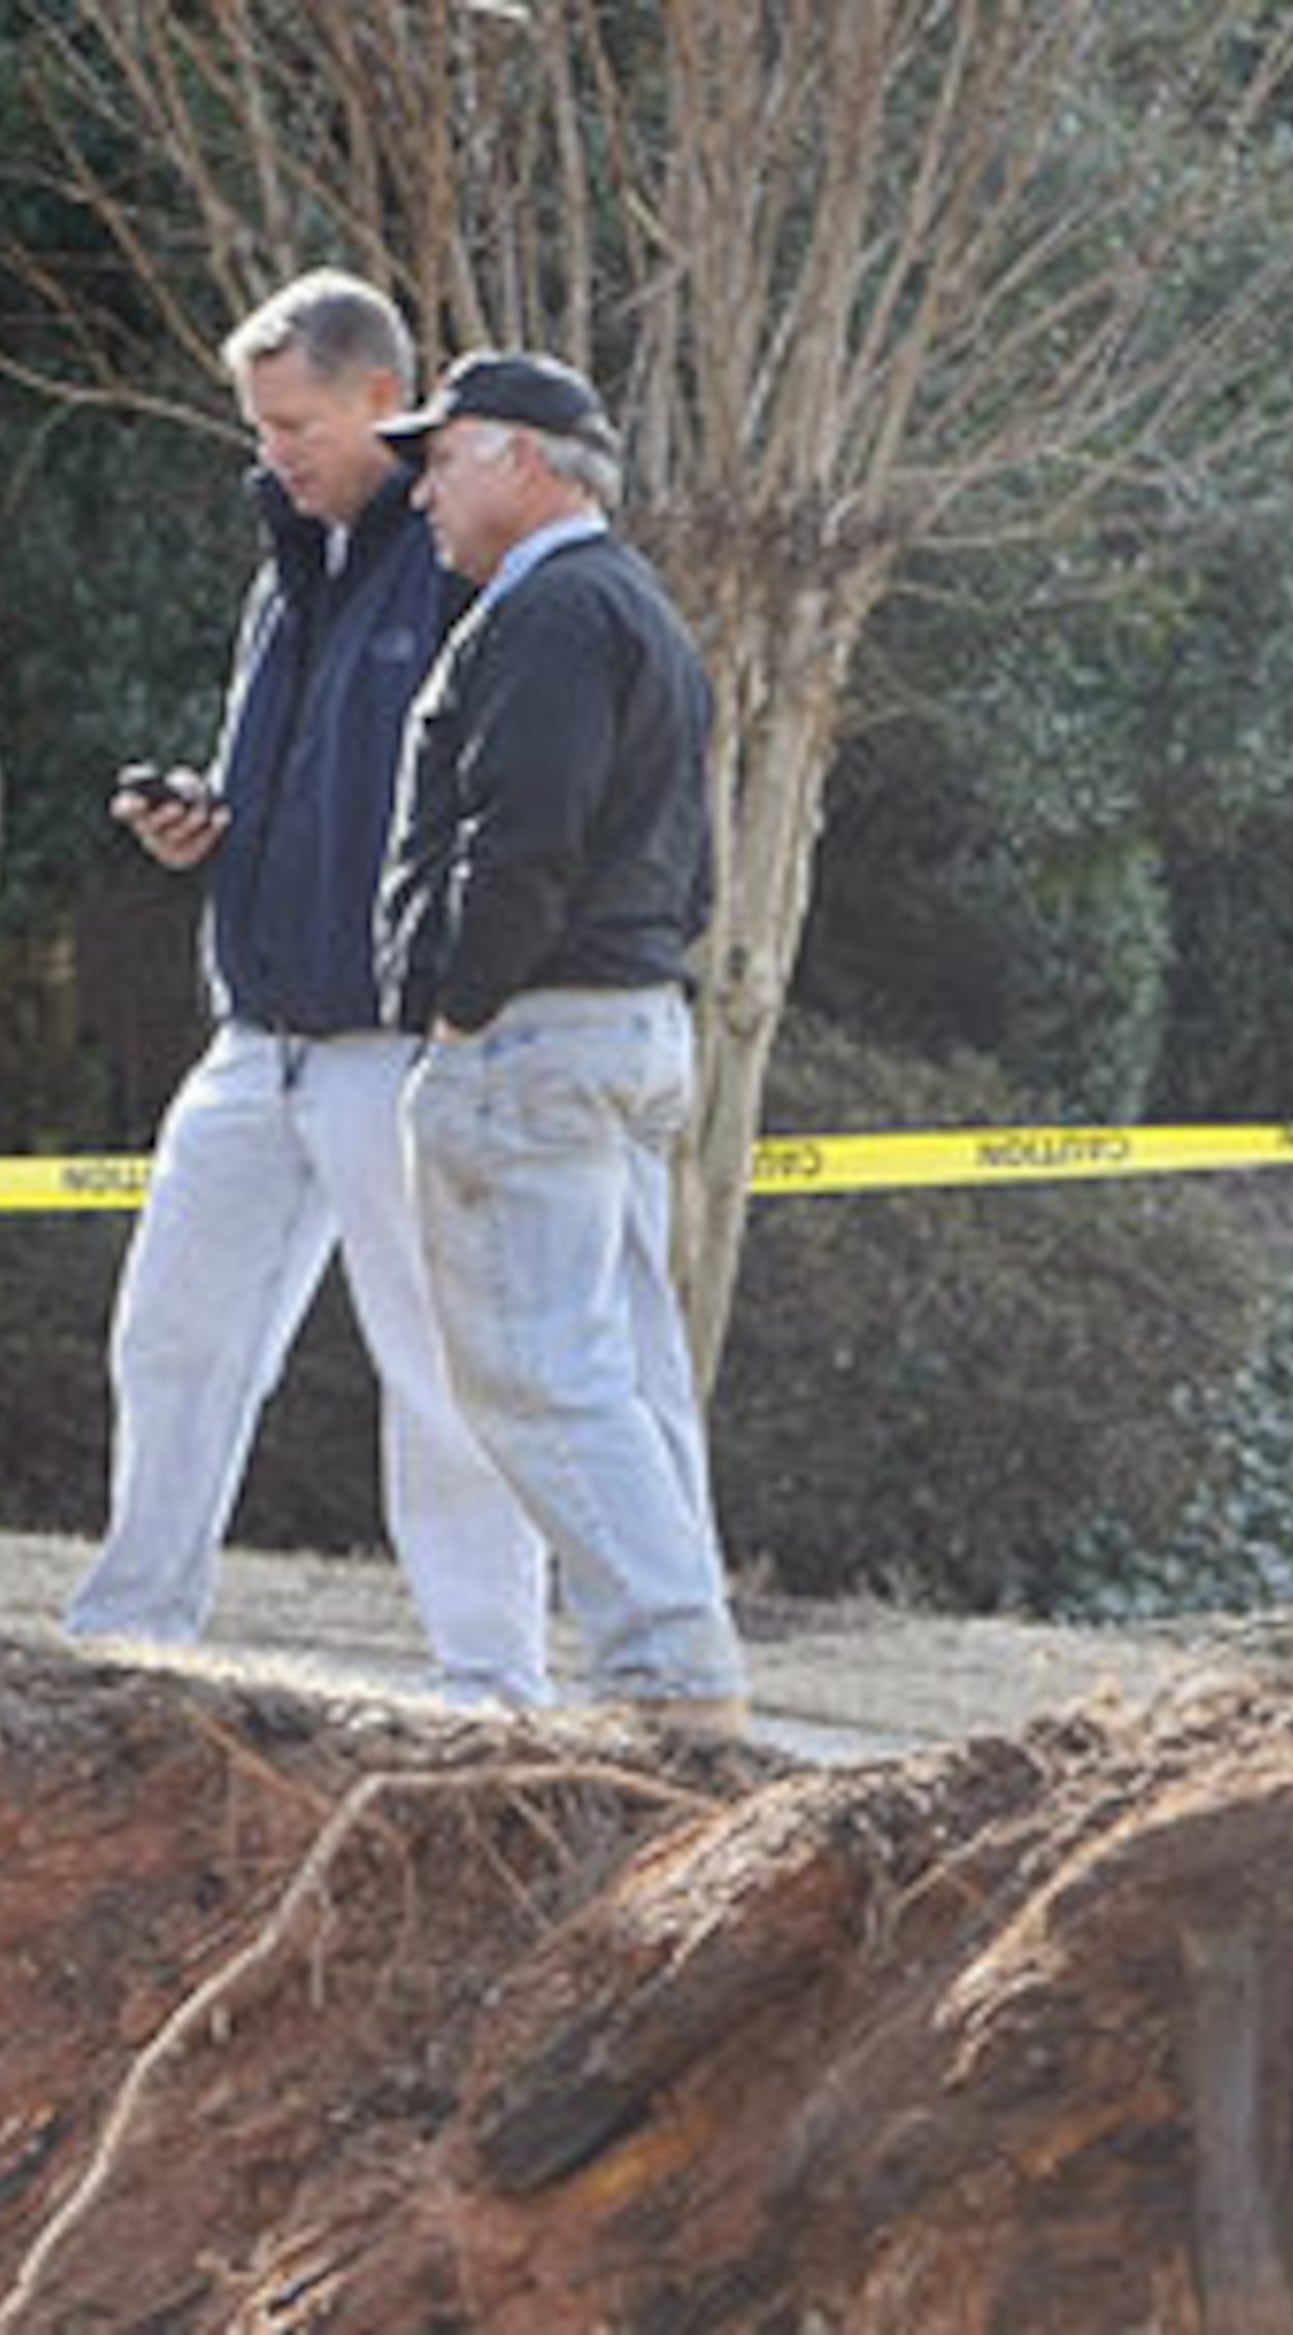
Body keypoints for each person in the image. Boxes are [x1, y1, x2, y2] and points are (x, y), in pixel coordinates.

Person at [60, 272, 554, 1707]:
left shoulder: (462, 564)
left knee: (439, 1368)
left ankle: (492, 1676)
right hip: (254, 1030)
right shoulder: (284, 576)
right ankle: (131, 1636)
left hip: (398, 1043)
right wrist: (204, 825)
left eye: (294, 423)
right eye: (258, 425)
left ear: (382, 399)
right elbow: (300, 786)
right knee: (170, 1335)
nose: (271, 450)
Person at [374, 349, 751, 1732]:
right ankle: (680, 1661)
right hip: (631, 1025)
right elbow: (684, 863)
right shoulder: (635, 606)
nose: (422, 490)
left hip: (535, 1032)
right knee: (630, 1379)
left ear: (524, 458)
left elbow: (523, 835)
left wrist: (462, 997)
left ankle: (665, 1668)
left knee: (537, 1375)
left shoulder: (545, 614)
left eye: (442, 456)